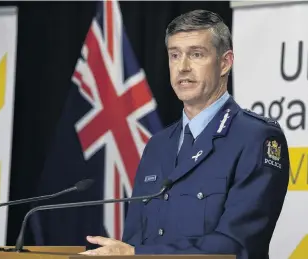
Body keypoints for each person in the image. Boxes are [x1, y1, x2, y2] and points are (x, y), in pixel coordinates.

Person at [80, 9, 290, 259]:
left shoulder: (257, 138)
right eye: (175, 55)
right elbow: (134, 237)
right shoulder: (157, 145)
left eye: (196, 54)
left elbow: (237, 245)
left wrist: (139, 253)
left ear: (225, 62)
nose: (183, 67)